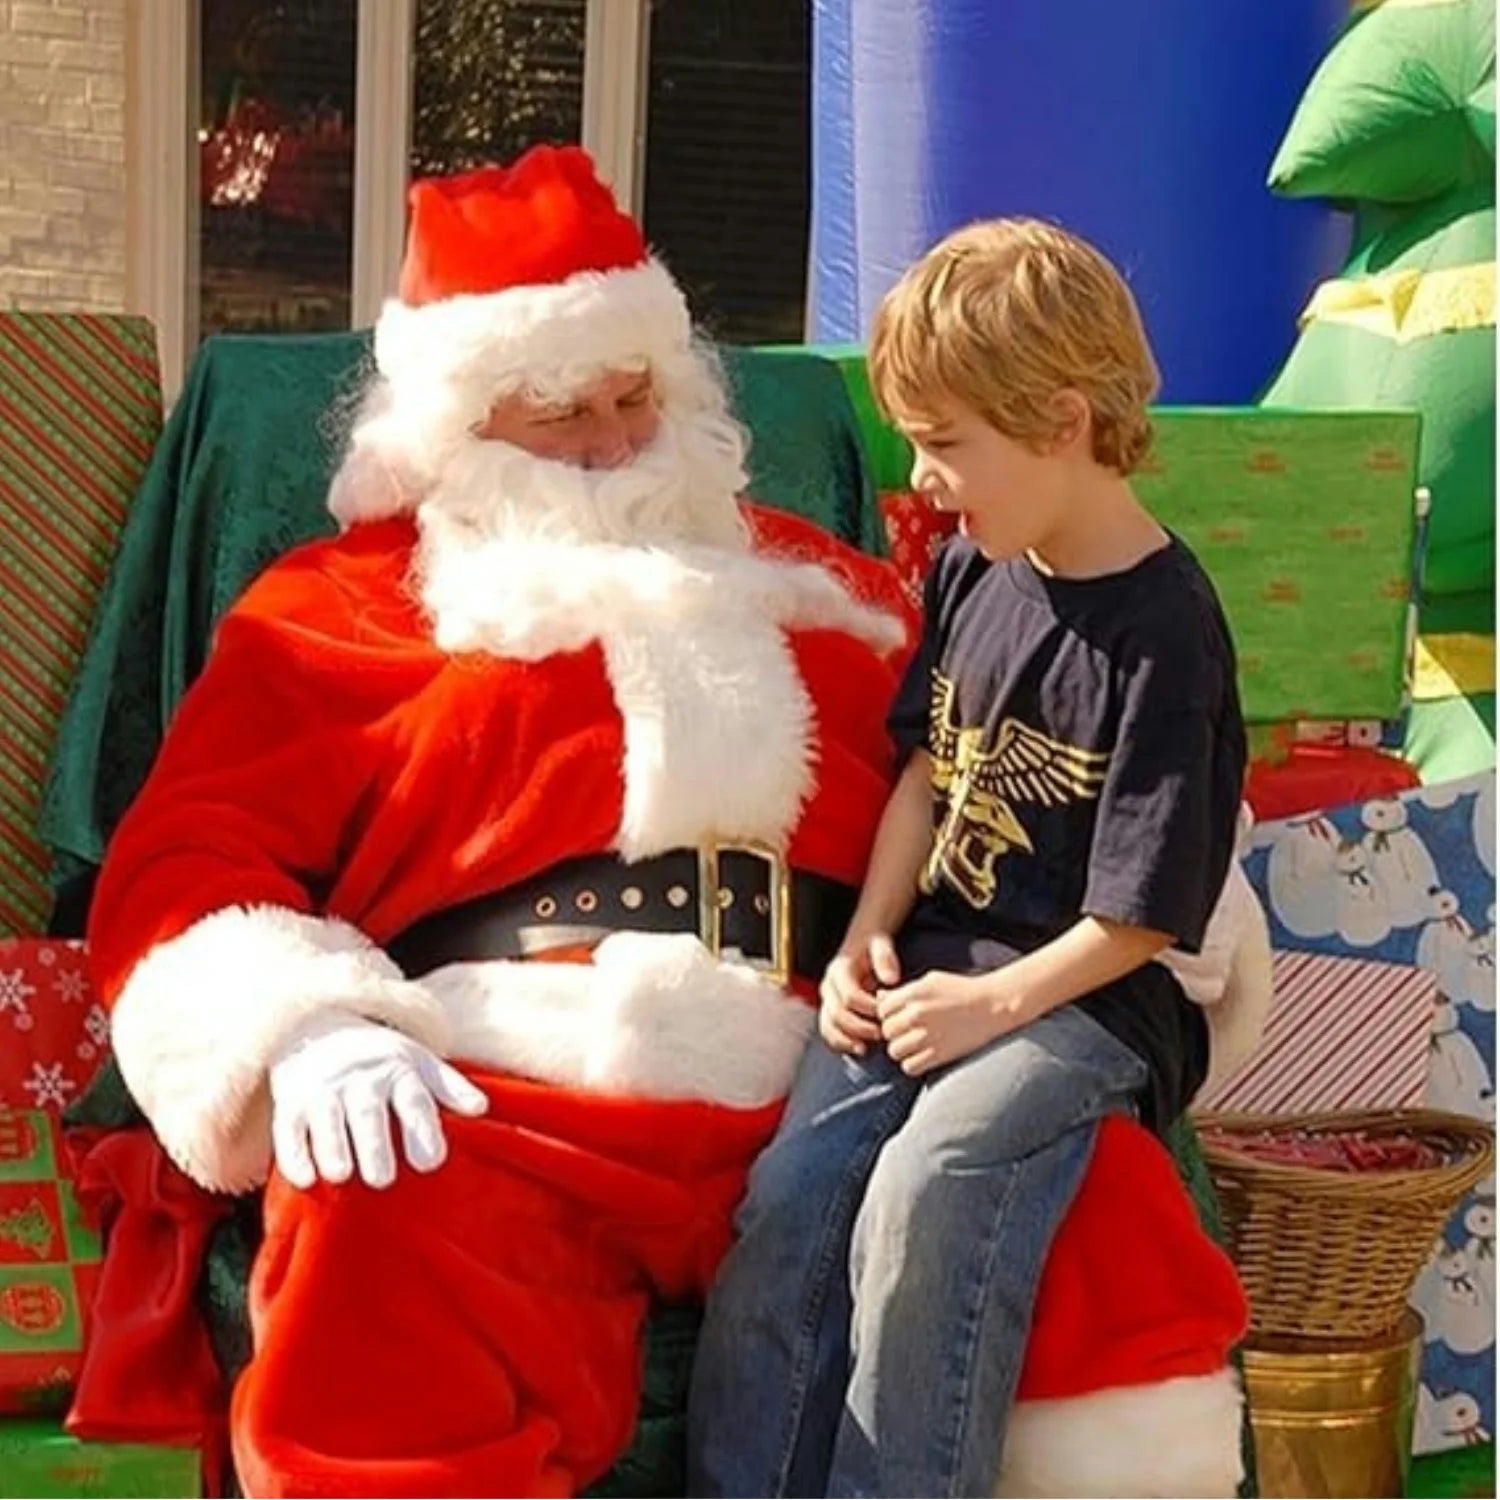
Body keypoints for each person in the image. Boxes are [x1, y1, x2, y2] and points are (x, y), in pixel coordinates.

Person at [86, 145, 913, 1498]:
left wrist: (1142, 899)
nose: (602, 441)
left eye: (628, 398)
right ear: (451, 435)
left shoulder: (833, 589)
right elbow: (185, 857)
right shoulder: (337, 610)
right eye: (551, 413)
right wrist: (304, 1031)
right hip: (516, 1089)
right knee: (374, 1199)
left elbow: (1006, 771)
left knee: (1069, 1179)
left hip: (832, 1066)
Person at [688, 218, 1269, 1498]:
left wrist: (992, 1006)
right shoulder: (968, 569)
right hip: (945, 968)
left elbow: (1147, 914)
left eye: (947, 443)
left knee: (931, 1182)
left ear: (1063, 420)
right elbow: (926, 774)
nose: (921, 473)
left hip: (1093, 998)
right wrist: (864, 943)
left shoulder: (1168, 634)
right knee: (796, 1187)